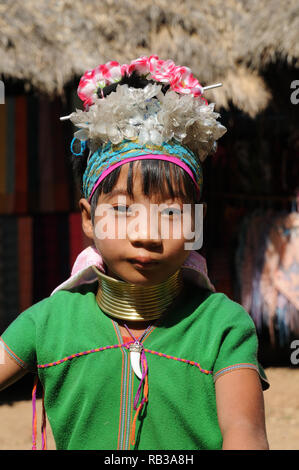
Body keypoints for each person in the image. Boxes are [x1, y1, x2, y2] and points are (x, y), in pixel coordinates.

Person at [0, 56, 269, 450]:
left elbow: (246, 434)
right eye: (124, 211)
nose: (147, 235)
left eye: (172, 214)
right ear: (88, 219)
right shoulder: (49, 322)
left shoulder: (222, 327)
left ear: (197, 221)